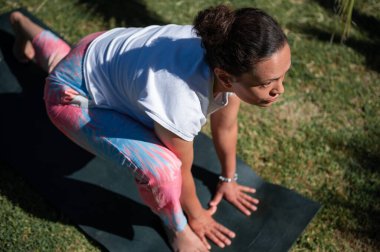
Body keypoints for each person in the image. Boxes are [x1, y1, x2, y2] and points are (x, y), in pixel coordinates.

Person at [10, 4, 291, 252]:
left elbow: (226, 126)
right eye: (268, 83)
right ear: (225, 77)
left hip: (94, 50)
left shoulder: (222, 46)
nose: (280, 89)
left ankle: (21, 23)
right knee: (163, 170)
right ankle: (175, 228)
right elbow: (179, 172)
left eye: (282, 76)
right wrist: (196, 217)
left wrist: (228, 179)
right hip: (69, 98)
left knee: (68, 64)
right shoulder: (182, 101)